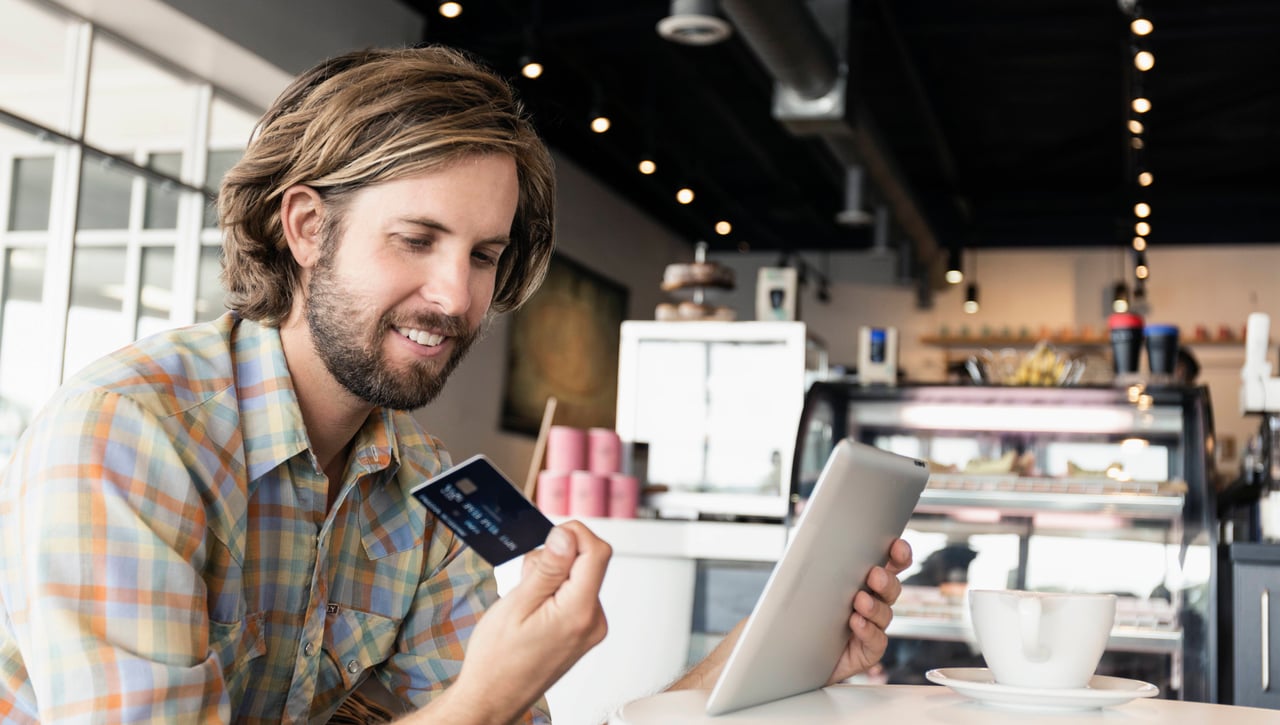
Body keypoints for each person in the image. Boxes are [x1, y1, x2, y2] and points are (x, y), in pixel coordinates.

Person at [0, 46, 911, 723]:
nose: (455, 296)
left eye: (482, 255)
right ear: (308, 226)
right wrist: (486, 694)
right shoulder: (129, 433)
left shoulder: (420, 484)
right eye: (417, 239)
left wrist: (721, 676)